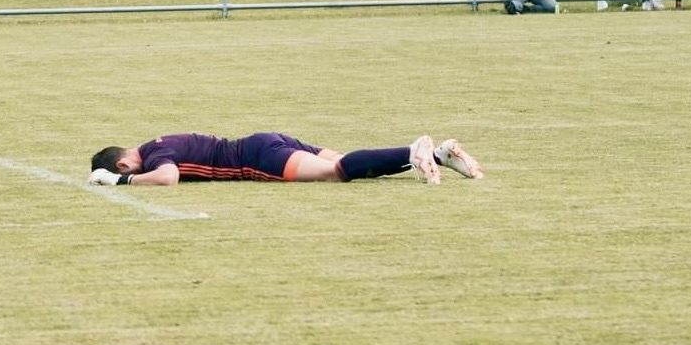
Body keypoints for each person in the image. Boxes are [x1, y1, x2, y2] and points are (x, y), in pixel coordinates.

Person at [88, 132, 484, 187]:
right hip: (267, 139)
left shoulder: (155, 154)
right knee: (349, 161)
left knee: (336, 173)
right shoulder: (157, 141)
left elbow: (167, 179)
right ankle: (438, 154)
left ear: (123, 163)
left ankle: (411, 151)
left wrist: (122, 184)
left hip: (258, 157)